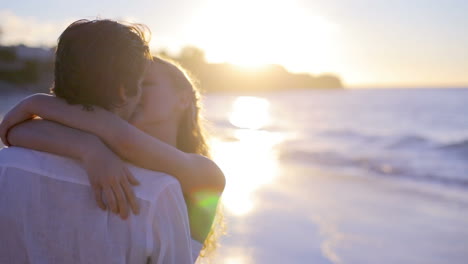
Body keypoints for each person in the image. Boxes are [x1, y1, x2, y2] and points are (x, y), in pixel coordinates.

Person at [0, 19, 212, 263]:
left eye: (147, 83)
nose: (140, 90)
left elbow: (120, 136)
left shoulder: (203, 174)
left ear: (183, 99)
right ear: (125, 89)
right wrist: (87, 148)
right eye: (138, 81)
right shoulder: (116, 159)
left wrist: (36, 104)